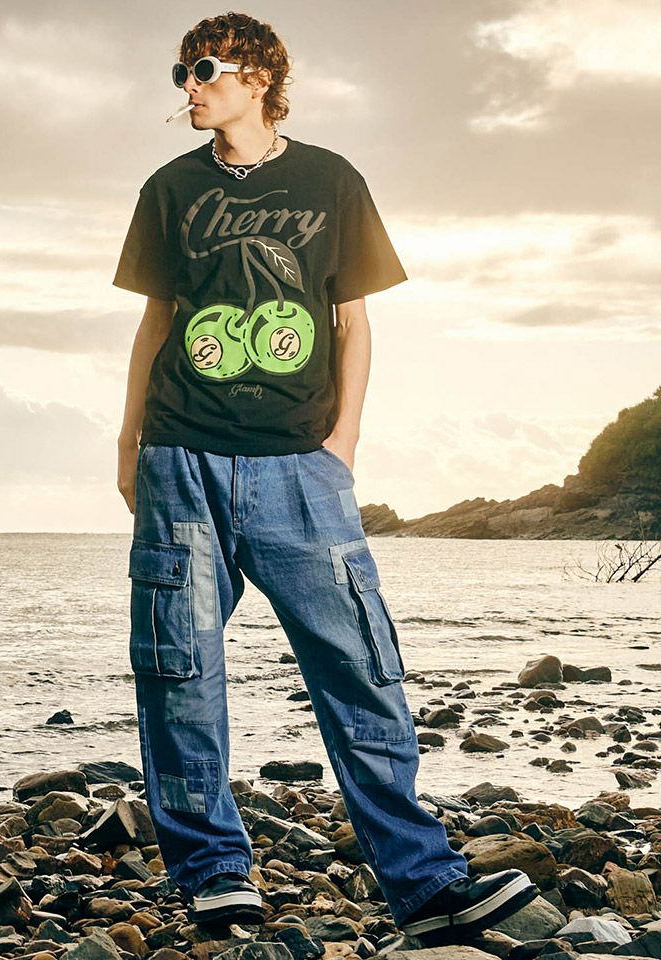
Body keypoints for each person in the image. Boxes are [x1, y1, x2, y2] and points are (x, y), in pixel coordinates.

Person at [113, 11, 538, 944]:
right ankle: (215, 878)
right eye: (181, 73)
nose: (188, 87)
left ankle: (425, 885)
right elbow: (156, 321)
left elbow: (353, 321)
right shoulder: (170, 188)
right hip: (181, 455)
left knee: (361, 669)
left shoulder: (331, 180)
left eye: (204, 68)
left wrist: (342, 442)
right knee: (180, 672)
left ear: (259, 76)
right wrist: (129, 440)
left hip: (301, 468)